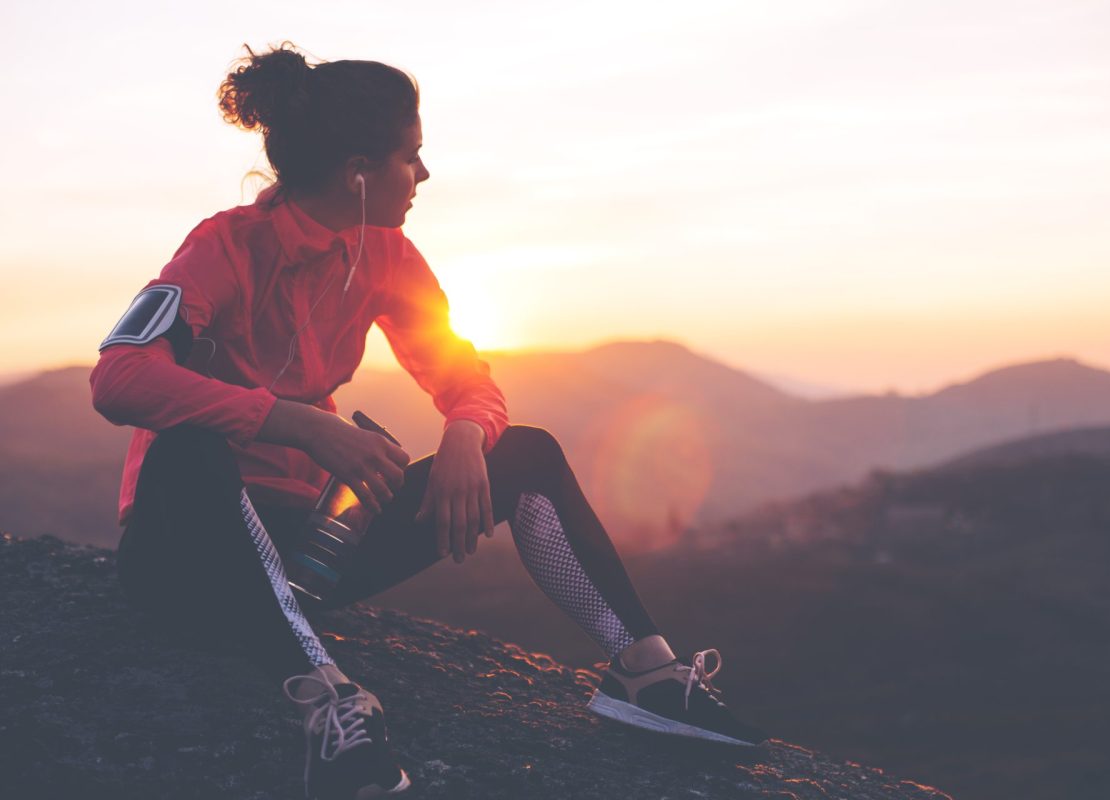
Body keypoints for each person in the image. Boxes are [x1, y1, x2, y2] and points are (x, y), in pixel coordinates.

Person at [89, 41, 765, 799]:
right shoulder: (223, 247)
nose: (425, 173)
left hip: (310, 554)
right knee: (193, 445)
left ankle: (644, 674)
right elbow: (119, 377)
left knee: (530, 454)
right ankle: (329, 704)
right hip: (188, 559)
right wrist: (295, 424)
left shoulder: (385, 254)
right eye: (411, 156)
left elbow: (464, 376)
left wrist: (467, 434)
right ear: (359, 172)